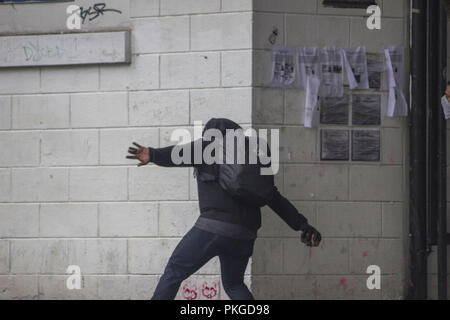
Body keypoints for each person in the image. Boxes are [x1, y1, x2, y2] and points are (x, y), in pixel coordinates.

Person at [126, 118, 321, 300]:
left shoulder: (208, 147)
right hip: (246, 233)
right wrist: (302, 225)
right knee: (234, 283)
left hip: (212, 228)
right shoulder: (253, 158)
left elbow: (177, 154)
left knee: (174, 272)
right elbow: (274, 197)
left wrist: (152, 154)